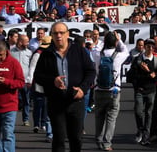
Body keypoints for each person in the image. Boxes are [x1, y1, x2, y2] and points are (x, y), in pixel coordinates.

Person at [34, 22, 96, 152]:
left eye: (61, 32)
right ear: (51, 35)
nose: (59, 36)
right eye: (55, 33)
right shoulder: (46, 53)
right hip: (56, 102)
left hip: (76, 101)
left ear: (67, 34)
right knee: (59, 138)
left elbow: (90, 71)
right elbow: (38, 76)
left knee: (76, 138)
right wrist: (53, 81)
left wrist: (83, 89)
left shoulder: (78, 51)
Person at [91, 31, 129, 151]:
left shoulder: (97, 54)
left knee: (99, 116)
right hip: (114, 90)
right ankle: (107, 143)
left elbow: (93, 52)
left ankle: (98, 139)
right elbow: (126, 51)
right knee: (111, 118)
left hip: (99, 89)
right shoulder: (119, 55)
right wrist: (119, 40)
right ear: (115, 42)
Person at [128, 38, 157, 146]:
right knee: (138, 112)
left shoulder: (156, 61)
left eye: (152, 47)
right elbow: (132, 76)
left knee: (149, 113)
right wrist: (137, 85)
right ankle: (140, 129)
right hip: (140, 90)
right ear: (144, 47)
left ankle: (146, 136)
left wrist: (149, 72)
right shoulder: (137, 60)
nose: (150, 48)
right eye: (148, 46)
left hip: (151, 90)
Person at [27, 36, 53, 143]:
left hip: (50, 84)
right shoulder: (38, 53)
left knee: (47, 105)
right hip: (39, 83)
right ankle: (37, 123)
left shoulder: (53, 54)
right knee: (38, 104)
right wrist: (30, 80)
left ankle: (45, 125)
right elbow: (32, 68)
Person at [10, 34, 33, 126]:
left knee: (26, 100)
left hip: (25, 81)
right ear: (20, 42)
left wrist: (30, 79)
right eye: (26, 41)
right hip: (14, 81)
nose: (28, 43)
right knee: (13, 101)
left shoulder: (29, 53)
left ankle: (26, 119)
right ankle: (12, 119)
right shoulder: (11, 52)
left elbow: (31, 67)